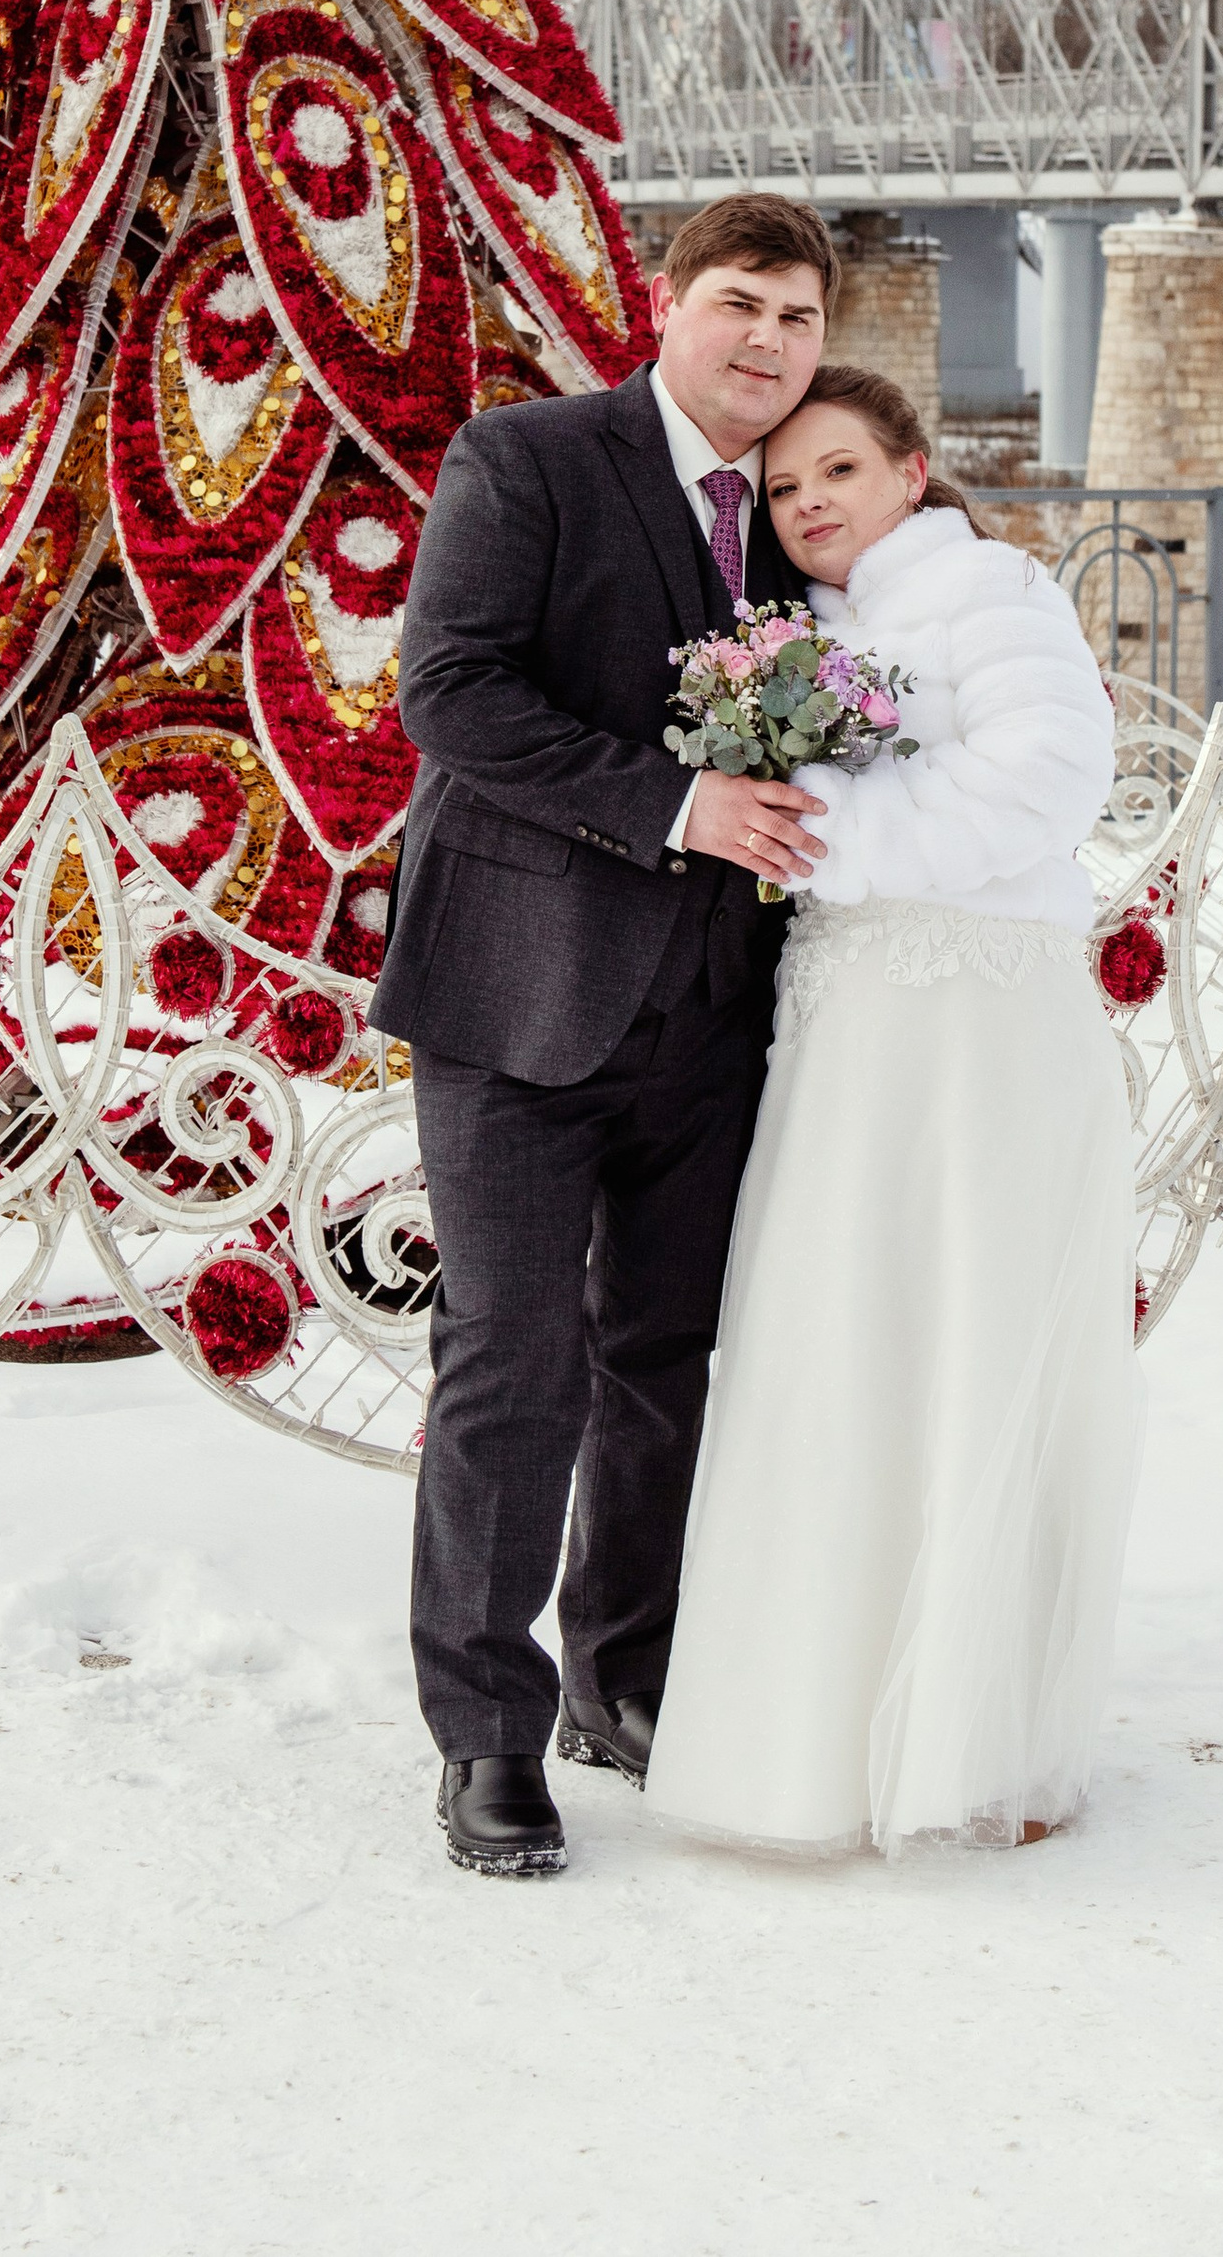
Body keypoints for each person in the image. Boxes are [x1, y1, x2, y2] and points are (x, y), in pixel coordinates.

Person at [373, 193, 838, 1878]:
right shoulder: (530, 460)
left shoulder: (810, 510)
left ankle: (619, 1680)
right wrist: (674, 803)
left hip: (719, 1012)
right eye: (740, 305)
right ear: (666, 305)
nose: (771, 344)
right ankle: (486, 1740)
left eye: (799, 317)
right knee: (513, 1363)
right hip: (518, 989)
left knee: (666, 1356)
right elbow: (452, 691)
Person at [645, 362, 1136, 1858]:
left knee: (961, 1332)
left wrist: (831, 840)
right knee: (839, 1338)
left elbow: (1058, 776)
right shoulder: (815, 634)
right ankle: (812, 1727)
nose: (809, 506)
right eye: (787, 490)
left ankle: (969, 1736)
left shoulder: (989, 592)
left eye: (839, 473)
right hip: (854, 1021)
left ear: (911, 473)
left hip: (975, 1016)